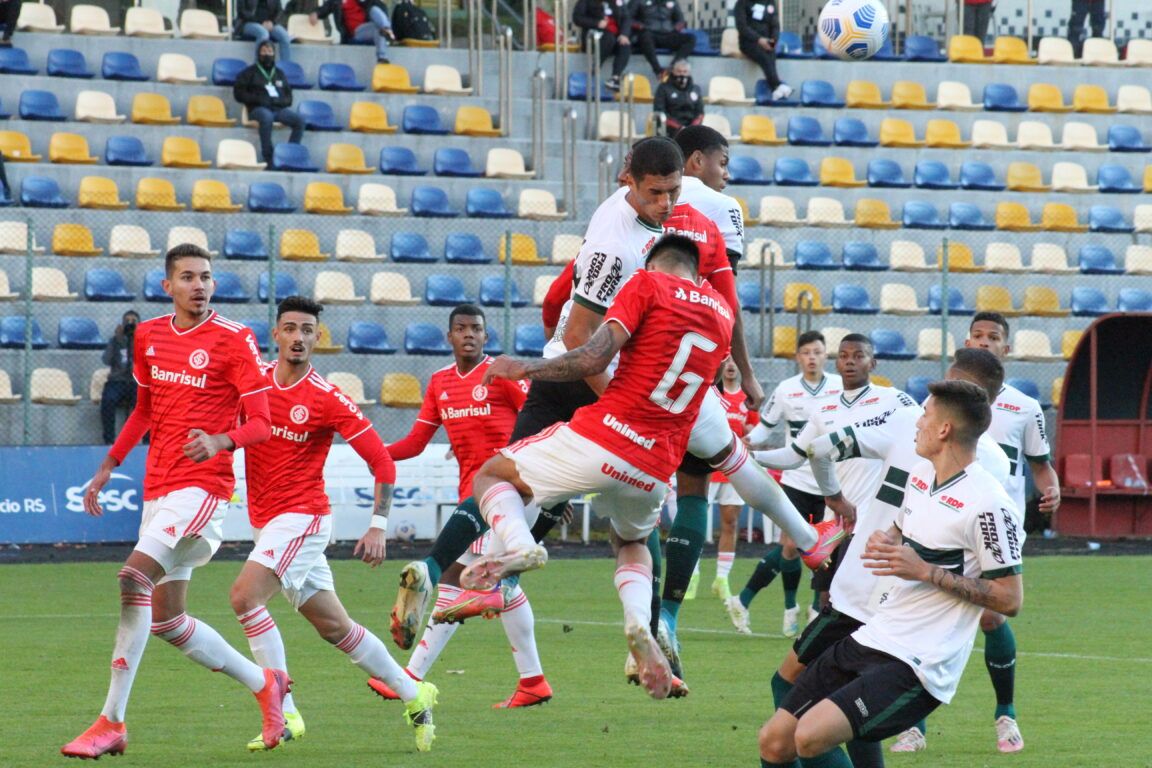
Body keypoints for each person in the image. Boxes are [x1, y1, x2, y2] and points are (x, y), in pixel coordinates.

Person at [389, 138, 841, 692]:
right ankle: (654, 621)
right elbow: (715, 309)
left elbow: (582, 342)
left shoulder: (642, 275)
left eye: (675, 192)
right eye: (658, 193)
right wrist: (743, 376)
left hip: (613, 408)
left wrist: (522, 367)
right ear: (632, 181)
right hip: (661, 448)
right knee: (689, 496)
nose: (668, 203)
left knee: (497, 478)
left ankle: (490, 565)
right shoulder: (715, 295)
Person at [461, 234, 735, 701]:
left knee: (492, 474)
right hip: (656, 465)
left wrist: (520, 367)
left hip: (606, 434)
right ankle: (636, 621)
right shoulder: (722, 314)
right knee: (630, 541)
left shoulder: (646, 284)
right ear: (697, 270)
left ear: (654, 261)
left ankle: (520, 546)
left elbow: (591, 356)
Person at [62, 244, 285, 759]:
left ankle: (110, 721)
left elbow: (262, 423)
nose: (200, 285)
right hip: (159, 487)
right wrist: (109, 464)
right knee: (166, 619)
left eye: (206, 276)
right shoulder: (150, 335)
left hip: (203, 486)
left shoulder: (235, 340)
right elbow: (143, 410)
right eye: (188, 277)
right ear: (169, 286)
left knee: (132, 577)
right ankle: (263, 683)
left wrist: (221, 441)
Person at [758, 380, 1023, 768]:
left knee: (810, 736)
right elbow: (900, 529)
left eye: (925, 416)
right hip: (875, 634)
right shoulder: (919, 476)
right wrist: (881, 541)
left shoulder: (989, 504)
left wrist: (925, 571)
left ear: (944, 429)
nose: (917, 424)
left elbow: (1009, 598)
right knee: (775, 741)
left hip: (919, 662)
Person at [229, 296, 438, 753]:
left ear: (318, 339)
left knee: (244, 598)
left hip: (303, 517)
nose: (299, 337)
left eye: (308, 330)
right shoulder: (253, 385)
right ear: (275, 335)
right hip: (268, 523)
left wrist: (378, 525)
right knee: (335, 627)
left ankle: (283, 713)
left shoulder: (325, 397)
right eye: (290, 328)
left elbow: (382, 461)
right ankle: (414, 694)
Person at [889, 312, 1060, 754]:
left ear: (1005, 348)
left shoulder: (1023, 407)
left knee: (991, 614)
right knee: (928, 608)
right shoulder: (940, 407)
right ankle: (915, 725)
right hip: (941, 518)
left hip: (992, 526)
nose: (985, 342)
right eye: (978, 336)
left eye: (994, 337)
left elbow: (1040, 465)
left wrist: (1051, 489)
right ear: (966, 342)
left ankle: (1006, 714)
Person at [372, 304, 551, 709]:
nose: (469, 334)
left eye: (476, 329)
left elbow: (539, 426)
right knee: (494, 586)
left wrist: (549, 488)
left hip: (510, 493)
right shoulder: (439, 383)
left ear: (486, 338)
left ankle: (410, 676)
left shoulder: (501, 377)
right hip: (473, 501)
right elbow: (416, 441)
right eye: (461, 328)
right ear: (449, 336)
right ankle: (533, 681)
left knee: (456, 583)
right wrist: (374, 451)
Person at [743, 335, 918, 639]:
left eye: (859, 355)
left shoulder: (894, 401)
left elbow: (918, 435)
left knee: (864, 602)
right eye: (845, 355)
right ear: (837, 362)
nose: (850, 361)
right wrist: (747, 456)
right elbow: (794, 455)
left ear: (872, 363)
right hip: (833, 523)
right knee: (827, 599)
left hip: (872, 520)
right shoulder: (823, 410)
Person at [734, 330, 842, 637]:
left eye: (817, 352)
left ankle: (812, 609)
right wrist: (747, 442)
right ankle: (789, 606)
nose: (812, 357)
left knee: (827, 550)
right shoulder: (785, 390)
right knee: (793, 546)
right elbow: (764, 430)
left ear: (825, 356)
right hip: (795, 480)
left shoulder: (837, 388)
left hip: (830, 482)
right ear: (797, 357)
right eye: (806, 352)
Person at [708, 358, 758, 601]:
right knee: (694, 520)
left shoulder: (748, 401)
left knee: (730, 522)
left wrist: (750, 437)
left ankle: (722, 579)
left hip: (732, 468)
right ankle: (691, 574)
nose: (729, 365)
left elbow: (755, 434)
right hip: (707, 467)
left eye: (733, 361)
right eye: (725, 360)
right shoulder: (711, 392)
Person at [233, 41, 304, 166]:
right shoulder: (249, 72)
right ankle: (269, 157)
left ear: (274, 54)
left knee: (299, 121)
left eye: (270, 51)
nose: (267, 54)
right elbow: (238, 94)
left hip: (278, 109)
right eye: (264, 51)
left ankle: (289, 155)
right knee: (267, 117)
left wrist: (277, 101)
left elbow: (289, 97)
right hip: (257, 109)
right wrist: (258, 99)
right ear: (258, 53)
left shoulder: (280, 74)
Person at [733, 0, 792, 101]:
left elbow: (775, 25)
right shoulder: (742, 3)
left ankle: (776, 90)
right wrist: (759, 39)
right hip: (749, 42)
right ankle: (777, 85)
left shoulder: (770, 2)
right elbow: (742, 27)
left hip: (767, 42)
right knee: (764, 56)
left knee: (771, 54)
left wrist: (773, 41)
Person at [100, 310, 141, 445]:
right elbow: (106, 360)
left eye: (133, 321)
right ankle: (109, 440)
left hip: (136, 382)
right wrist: (116, 340)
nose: (130, 323)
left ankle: (147, 442)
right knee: (108, 401)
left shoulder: (144, 341)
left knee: (147, 404)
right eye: (127, 321)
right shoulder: (115, 341)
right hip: (116, 381)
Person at [572, 0, 633, 91]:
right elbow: (577, 18)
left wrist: (624, 34)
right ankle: (595, 69)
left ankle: (615, 77)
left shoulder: (618, 2)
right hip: (593, 36)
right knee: (609, 38)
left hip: (614, 36)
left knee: (625, 45)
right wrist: (596, 23)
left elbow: (626, 18)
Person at [311, 0, 395, 63]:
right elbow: (325, 8)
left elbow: (381, 7)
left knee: (374, 11)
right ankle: (388, 32)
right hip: (356, 33)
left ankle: (382, 57)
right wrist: (316, 13)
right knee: (379, 28)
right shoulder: (336, 1)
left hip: (368, 28)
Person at [629, 0, 695, 78]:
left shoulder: (672, 2)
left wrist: (676, 28)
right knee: (645, 37)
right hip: (649, 33)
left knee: (691, 38)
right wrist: (641, 26)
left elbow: (680, 20)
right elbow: (628, 19)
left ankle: (673, 67)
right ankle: (658, 70)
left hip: (668, 34)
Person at [653, 58, 704, 136]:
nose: (682, 74)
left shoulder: (695, 89)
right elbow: (659, 111)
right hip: (670, 129)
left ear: (689, 73)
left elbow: (700, 112)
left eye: (685, 72)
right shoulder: (663, 88)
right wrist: (679, 128)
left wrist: (692, 128)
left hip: (692, 129)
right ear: (673, 72)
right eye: (679, 71)